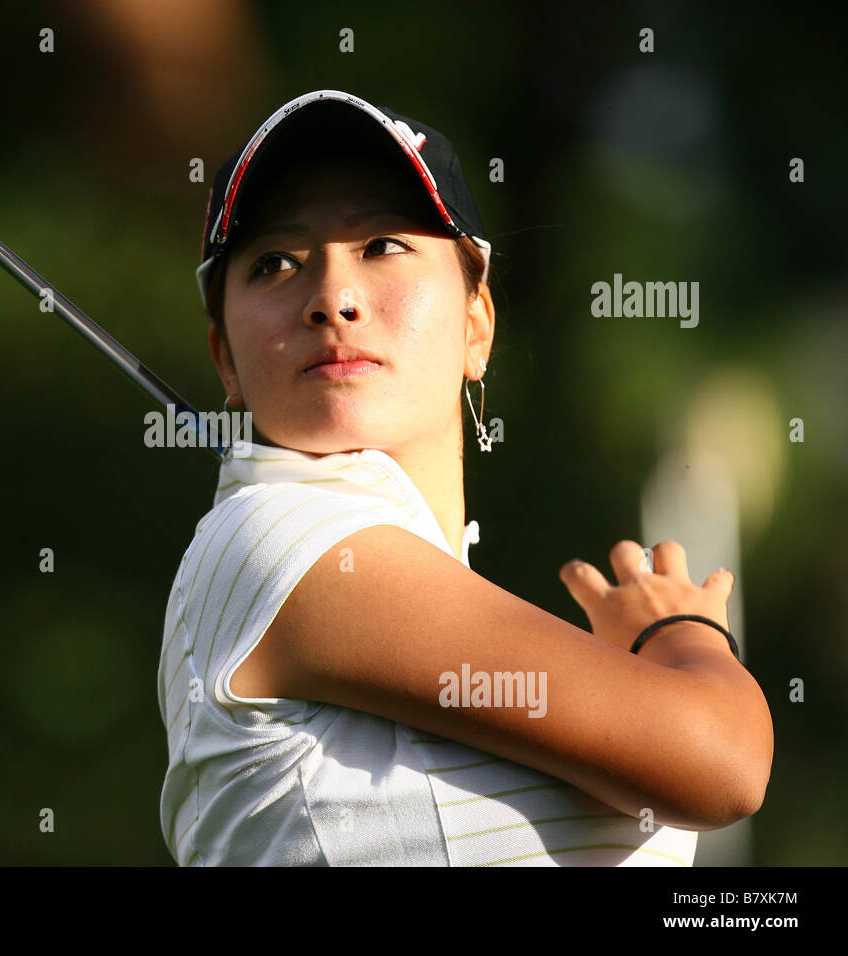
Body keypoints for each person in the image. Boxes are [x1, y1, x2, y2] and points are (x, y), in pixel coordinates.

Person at [157, 89, 773, 866]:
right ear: (225, 362)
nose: (331, 300)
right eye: (276, 263)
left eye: (382, 245)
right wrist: (681, 633)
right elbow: (719, 763)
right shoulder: (278, 537)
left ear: (477, 323)